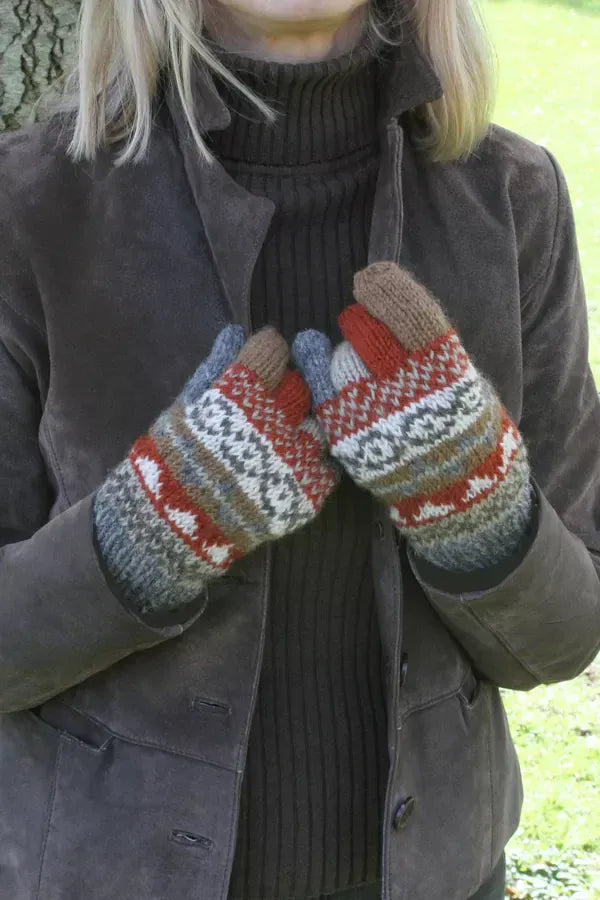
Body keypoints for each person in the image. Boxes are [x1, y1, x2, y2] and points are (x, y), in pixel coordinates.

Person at [0, 0, 598, 898]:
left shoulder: (511, 197)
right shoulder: (30, 203)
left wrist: (478, 503)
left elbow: (563, 638)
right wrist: (148, 533)